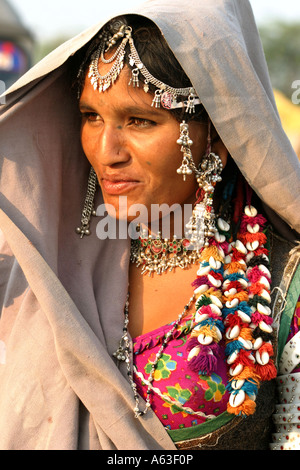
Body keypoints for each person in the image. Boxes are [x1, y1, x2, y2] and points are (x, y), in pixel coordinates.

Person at [0, 0, 299, 451]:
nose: (106, 151)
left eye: (139, 121)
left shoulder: (278, 286)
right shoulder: (47, 272)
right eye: (90, 116)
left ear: (216, 134)